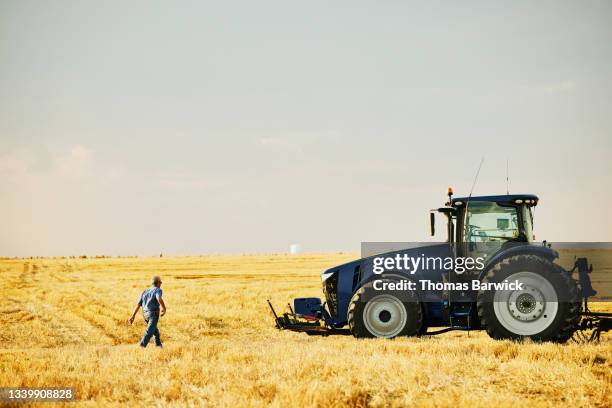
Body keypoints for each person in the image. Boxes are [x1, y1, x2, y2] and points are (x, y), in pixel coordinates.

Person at [128, 275, 166, 348]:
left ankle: (159, 347)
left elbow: (138, 304)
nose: (161, 284)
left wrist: (133, 316)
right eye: (160, 282)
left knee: (156, 332)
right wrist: (164, 308)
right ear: (158, 282)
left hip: (145, 314)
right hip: (153, 313)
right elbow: (159, 298)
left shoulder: (145, 291)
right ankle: (141, 347)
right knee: (149, 332)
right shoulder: (158, 290)